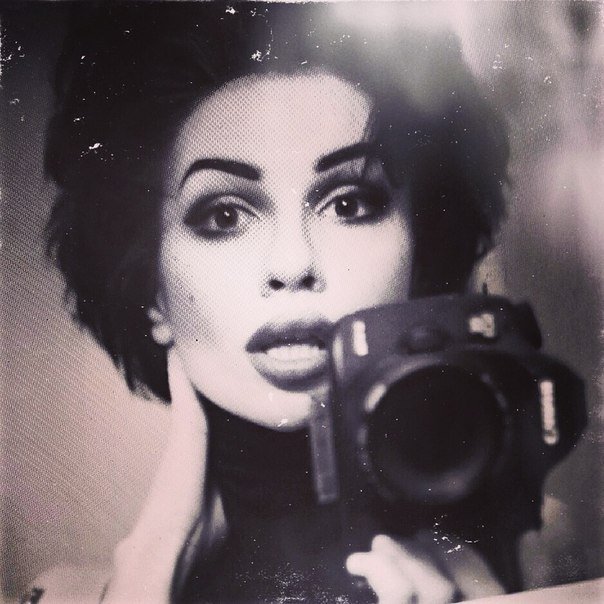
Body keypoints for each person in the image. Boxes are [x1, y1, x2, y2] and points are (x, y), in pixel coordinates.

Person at [30, 2, 517, 602]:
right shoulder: (65, 596)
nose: (292, 264)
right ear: (152, 291)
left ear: (421, 255)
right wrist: (150, 558)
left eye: (348, 204)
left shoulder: (557, 569)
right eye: (224, 216)